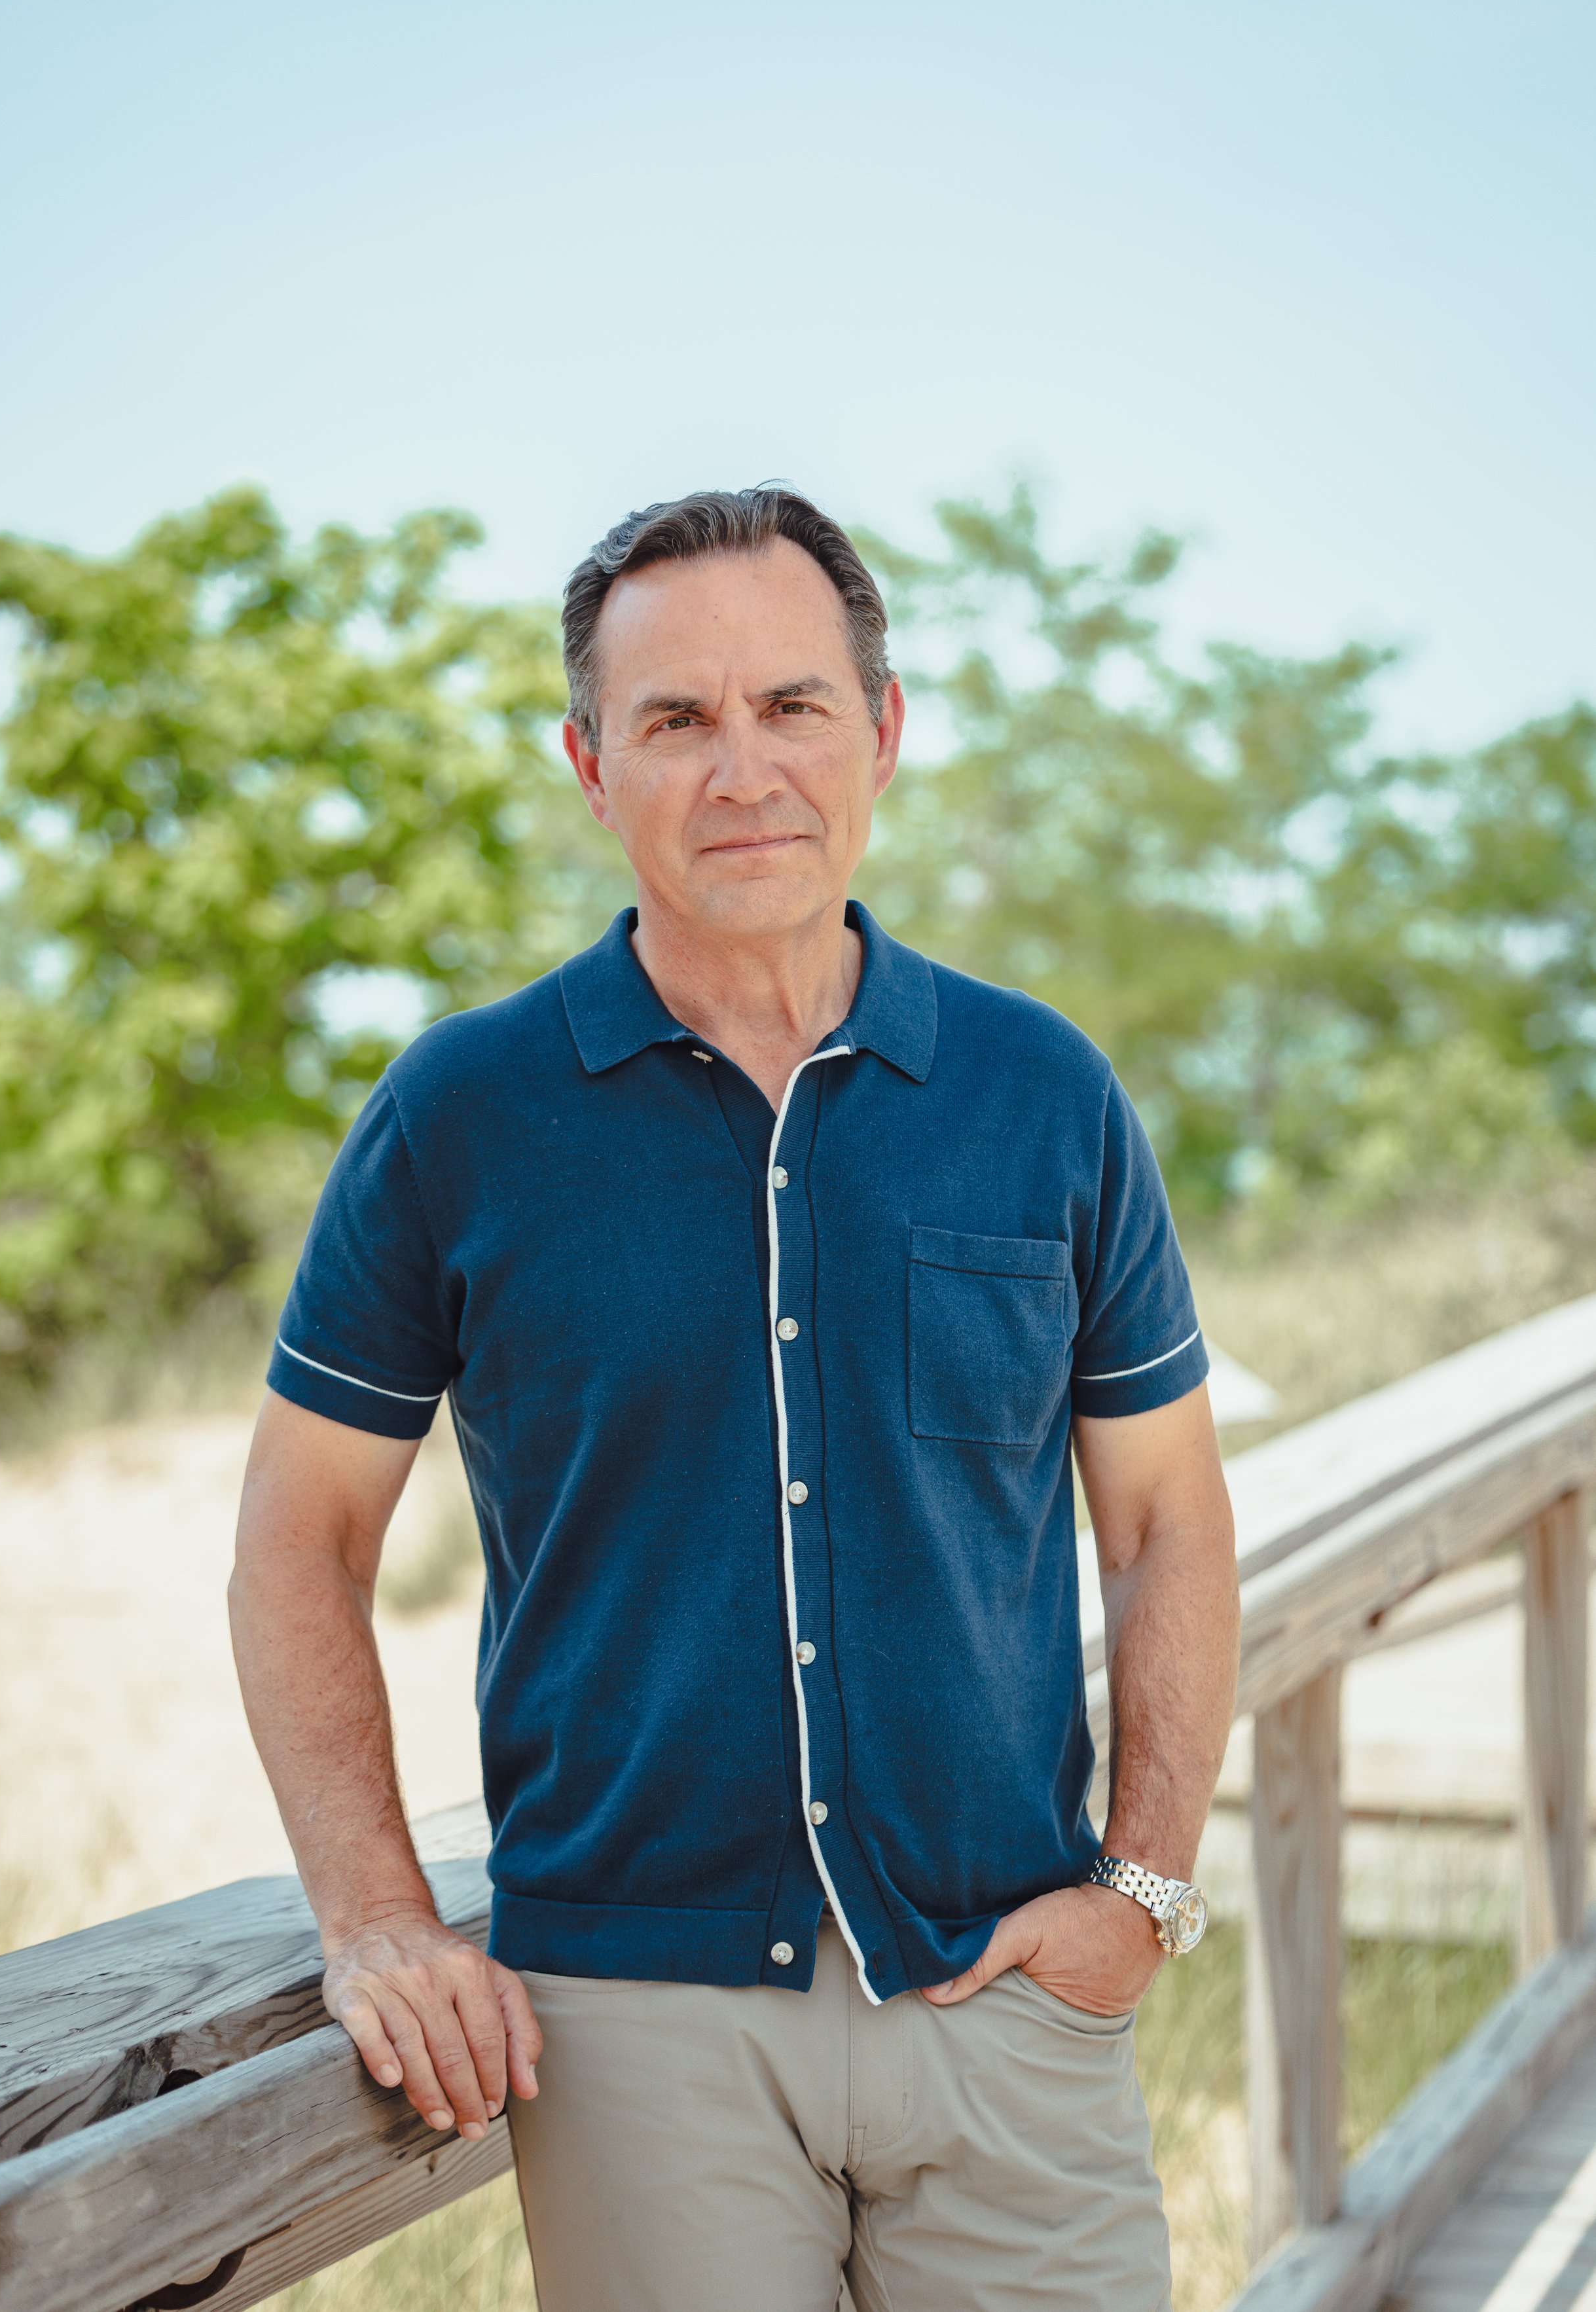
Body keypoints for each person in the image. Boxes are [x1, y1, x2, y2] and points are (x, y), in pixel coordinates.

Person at [230, 485, 1240, 2312]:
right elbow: (297, 1545)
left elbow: (1165, 1516)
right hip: (633, 2034)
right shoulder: (459, 1114)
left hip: (1010, 2001)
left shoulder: (1042, 1091)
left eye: (791, 704)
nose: (741, 764)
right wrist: (375, 1918)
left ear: (885, 730)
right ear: (588, 763)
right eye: (673, 718)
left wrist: (1140, 1893)